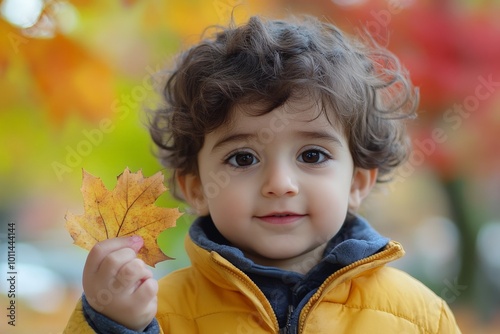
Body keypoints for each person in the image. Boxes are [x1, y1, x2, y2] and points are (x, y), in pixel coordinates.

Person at [65, 15, 462, 333]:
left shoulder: (419, 318)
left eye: (312, 154)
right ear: (197, 187)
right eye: (242, 159)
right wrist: (112, 324)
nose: (279, 184)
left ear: (358, 182)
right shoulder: (155, 314)